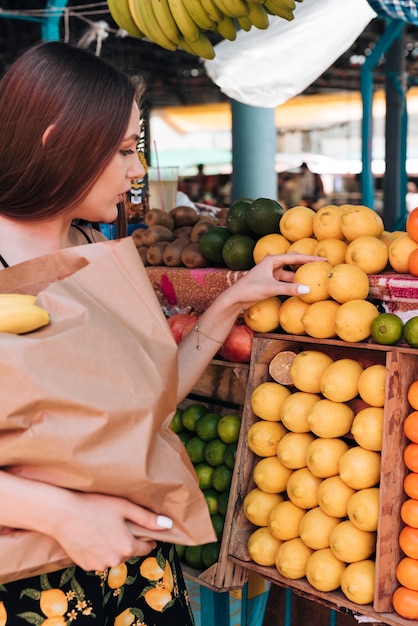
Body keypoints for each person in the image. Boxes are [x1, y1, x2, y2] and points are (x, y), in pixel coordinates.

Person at [0, 40, 323, 625]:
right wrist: (59, 514)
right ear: (56, 144)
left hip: (141, 578)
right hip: (33, 585)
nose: (138, 171)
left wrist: (230, 303)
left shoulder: (94, 252)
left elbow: (143, 403)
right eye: (124, 150)